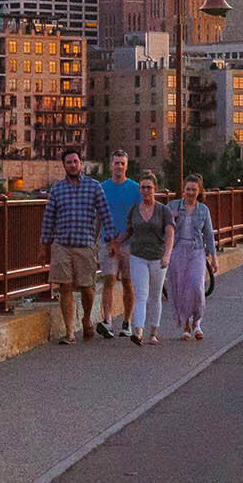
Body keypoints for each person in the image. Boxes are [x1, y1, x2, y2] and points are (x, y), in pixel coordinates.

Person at [39, 148, 117, 345]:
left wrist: (112, 240)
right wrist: (44, 245)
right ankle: (69, 333)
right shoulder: (57, 189)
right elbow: (48, 219)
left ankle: (86, 319)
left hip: (85, 244)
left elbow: (106, 214)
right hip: (62, 245)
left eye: (75, 162)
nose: (72, 165)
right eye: (68, 162)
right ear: (64, 165)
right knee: (64, 287)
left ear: (81, 163)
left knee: (87, 288)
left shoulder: (94, 187)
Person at [123, 175, 176, 345]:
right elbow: (129, 231)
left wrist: (167, 255)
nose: (145, 191)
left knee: (155, 295)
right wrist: (116, 243)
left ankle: (153, 332)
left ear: (155, 190)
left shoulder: (163, 211)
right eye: (143, 187)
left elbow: (169, 234)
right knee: (141, 295)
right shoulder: (134, 210)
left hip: (157, 257)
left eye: (149, 188)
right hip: (138, 255)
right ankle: (138, 331)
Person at [96, 152, 143, 338]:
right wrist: (94, 240)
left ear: (127, 166)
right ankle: (107, 320)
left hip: (128, 242)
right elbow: (98, 216)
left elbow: (137, 218)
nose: (119, 167)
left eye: (122, 163)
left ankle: (126, 322)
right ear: (110, 165)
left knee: (127, 282)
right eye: (116, 163)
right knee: (108, 279)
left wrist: (124, 238)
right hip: (107, 242)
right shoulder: (102, 188)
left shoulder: (135, 188)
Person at [166, 176, 216, 341]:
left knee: (196, 286)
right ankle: (186, 325)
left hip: (197, 250)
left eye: (194, 189)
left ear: (199, 191)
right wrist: (170, 218)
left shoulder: (203, 210)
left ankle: (197, 322)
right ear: (183, 190)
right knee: (180, 288)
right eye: (188, 189)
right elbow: (160, 221)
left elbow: (208, 234)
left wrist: (213, 257)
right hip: (177, 250)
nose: (190, 192)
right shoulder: (173, 206)